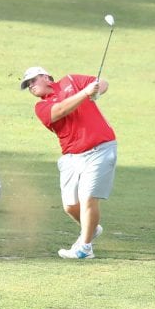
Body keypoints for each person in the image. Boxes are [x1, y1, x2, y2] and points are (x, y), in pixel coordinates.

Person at [20, 65, 117, 259]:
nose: (30, 86)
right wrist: (85, 94)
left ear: (46, 77)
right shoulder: (41, 107)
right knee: (70, 206)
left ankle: (85, 248)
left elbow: (101, 83)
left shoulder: (71, 80)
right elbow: (60, 110)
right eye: (27, 84)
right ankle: (91, 228)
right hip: (72, 156)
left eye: (33, 80)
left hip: (101, 148)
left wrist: (97, 91)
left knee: (88, 197)